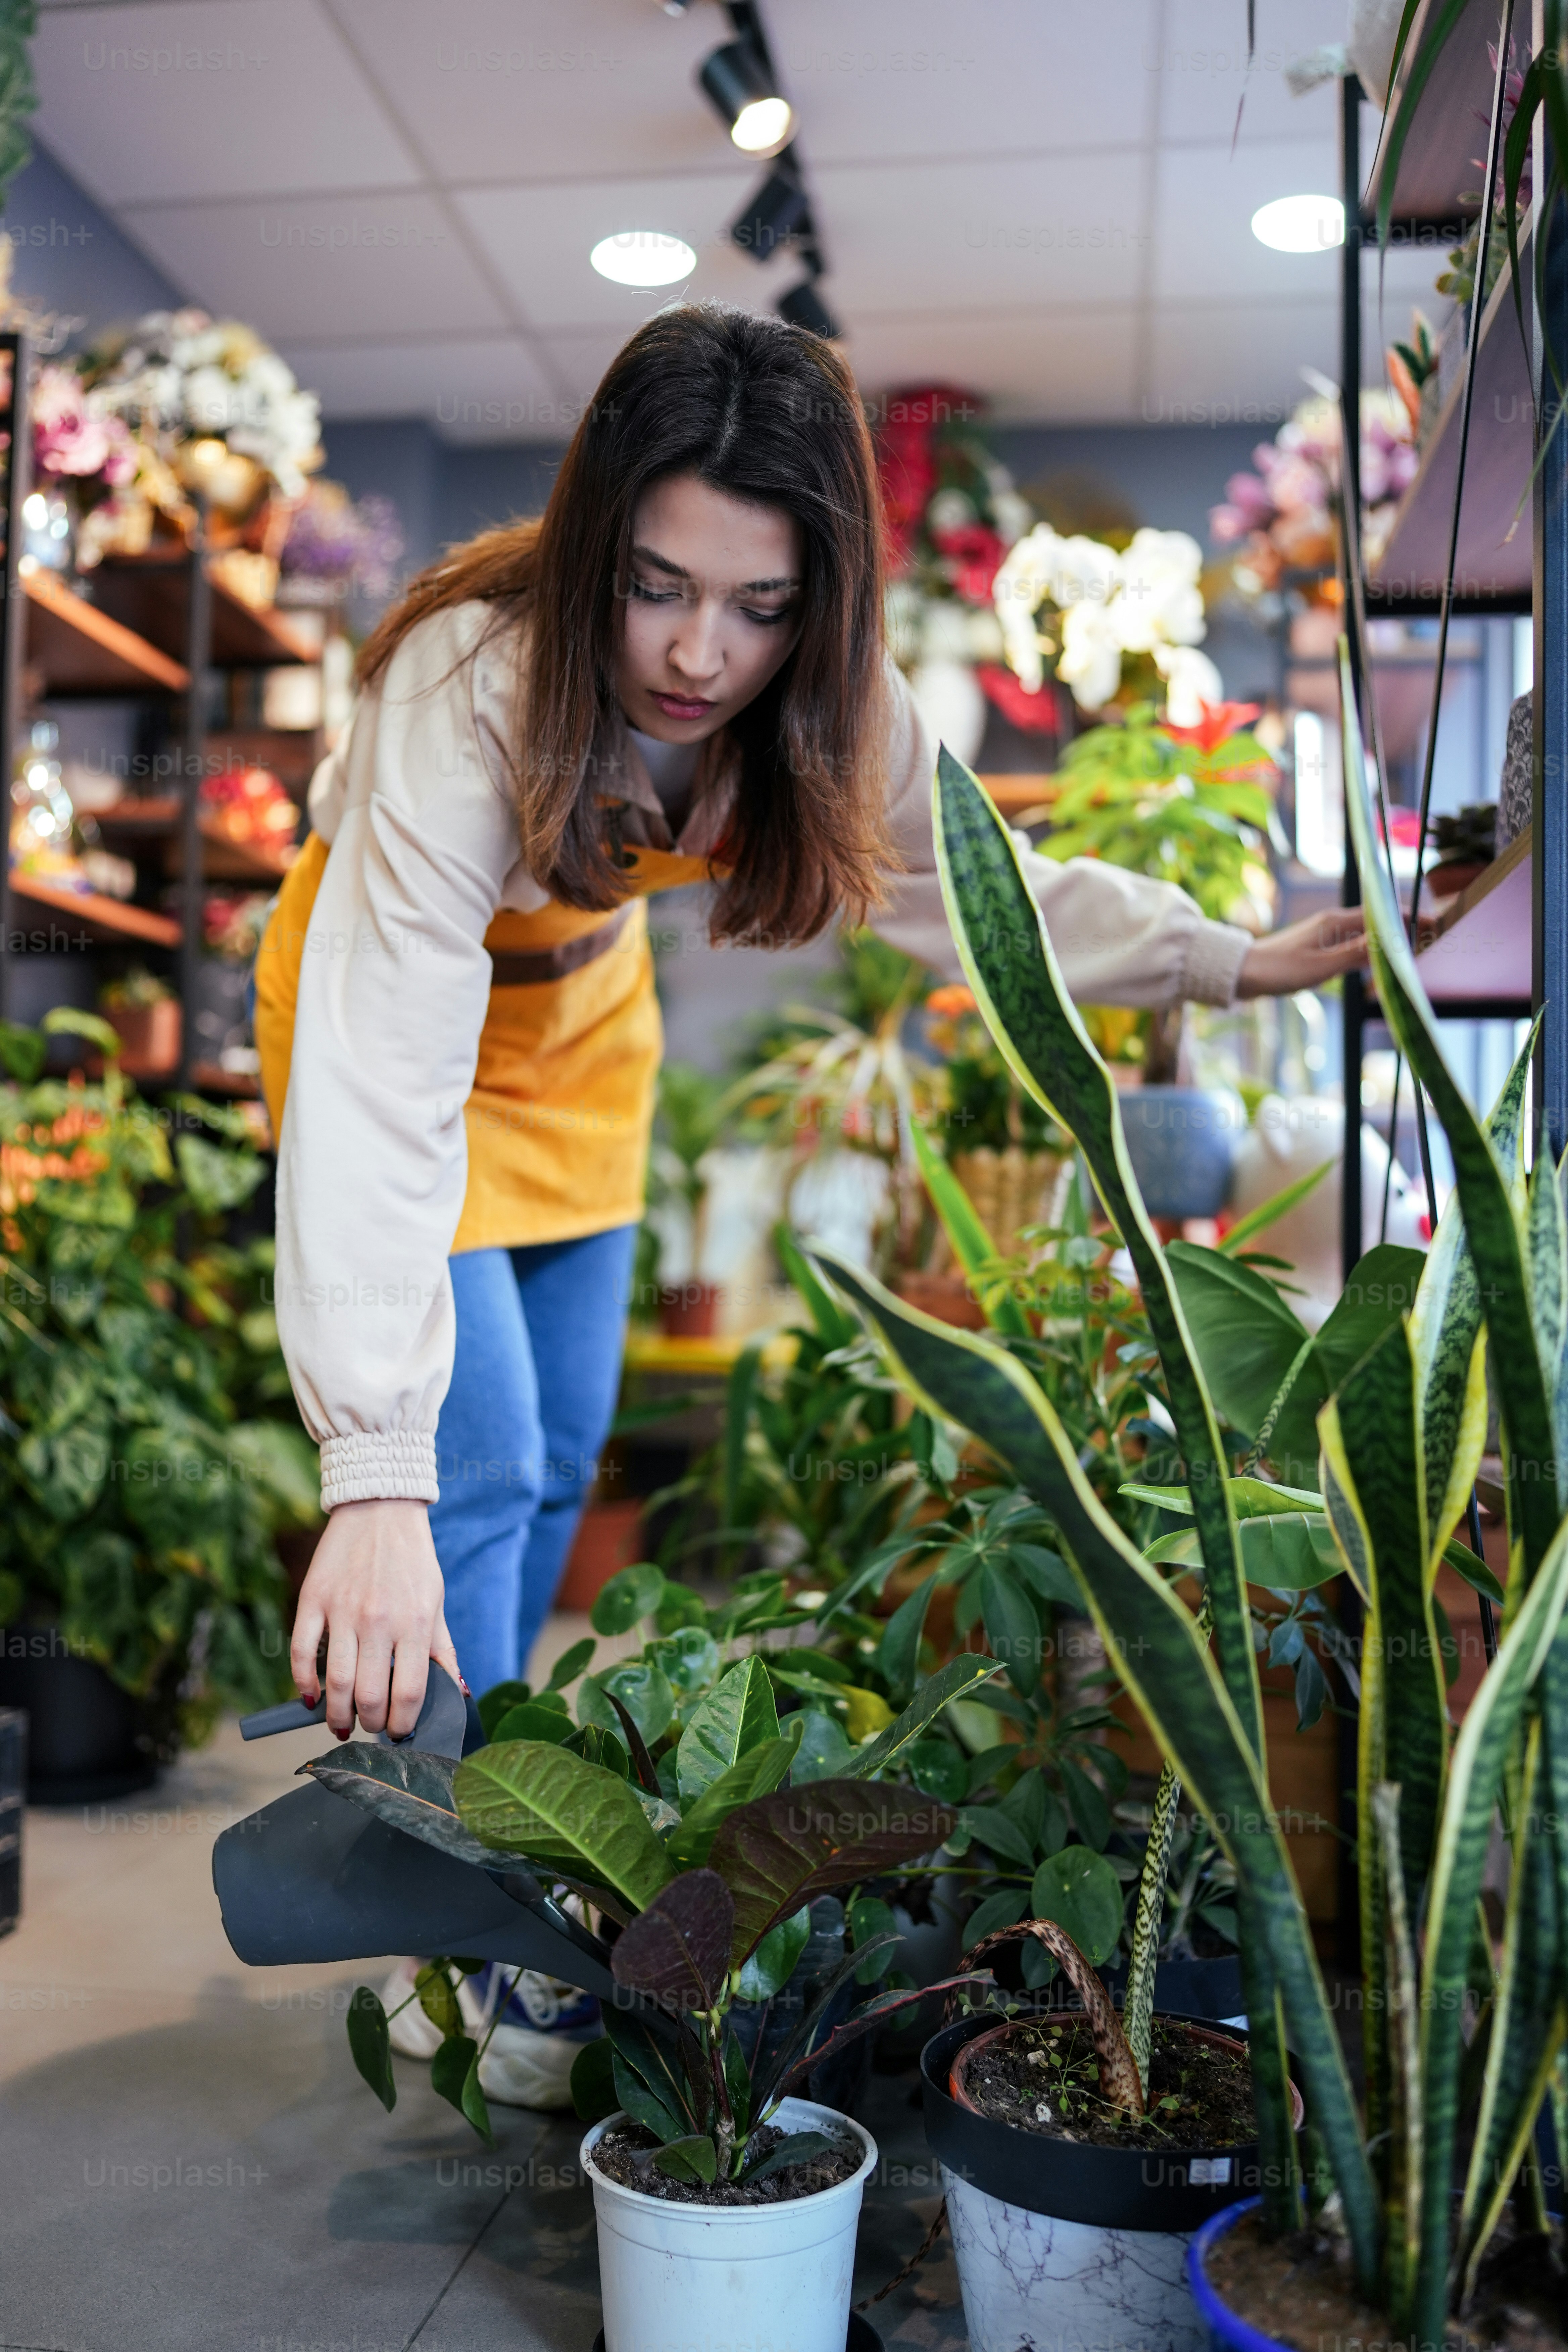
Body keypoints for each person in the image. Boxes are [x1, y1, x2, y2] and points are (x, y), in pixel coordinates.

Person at [258, 300, 1364, 1747]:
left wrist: (1218, 957)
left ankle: (490, 1785)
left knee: (557, 1463)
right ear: (596, 541)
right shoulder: (462, 682)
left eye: (759, 606)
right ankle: (446, 1874)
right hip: (380, 1019)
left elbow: (980, 887)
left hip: (583, 1034)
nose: (700, 655)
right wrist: (372, 1477)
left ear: (817, 600)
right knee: (462, 1464)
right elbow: (388, 1061)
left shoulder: (835, 709)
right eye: (655, 586)